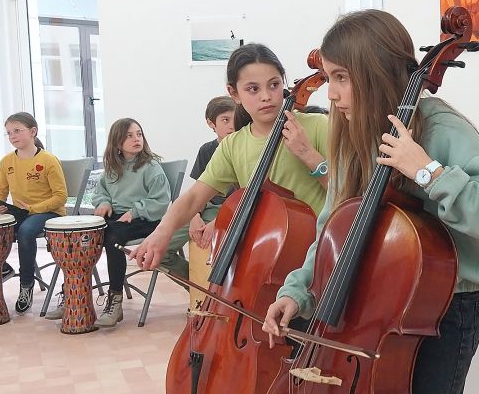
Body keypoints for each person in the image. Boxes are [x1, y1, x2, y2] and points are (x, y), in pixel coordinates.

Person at [260, 9, 479, 394]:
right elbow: (332, 229)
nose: (331, 94)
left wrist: (426, 171)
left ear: (375, 73)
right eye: (330, 77)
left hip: (439, 316)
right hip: (366, 308)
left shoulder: (440, 128)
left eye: (341, 78)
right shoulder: (351, 131)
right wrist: (296, 291)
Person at [131, 43, 330, 271]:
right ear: (234, 93)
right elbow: (194, 197)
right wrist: (161, 232)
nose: (266, 96)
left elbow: (347, 194)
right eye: (253, 89)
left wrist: (308, 155)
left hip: (316, 255)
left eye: (274, 85)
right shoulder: (232, 145)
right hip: (263, 258)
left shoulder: (317, 126)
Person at [78, 118, 171, 328]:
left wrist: (135, 211)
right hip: (118, 220)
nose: (136, 139)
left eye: (139, 134)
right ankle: (74, 295)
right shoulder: (113, 168)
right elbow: (101, 191)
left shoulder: (151, 167)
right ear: (117, 142)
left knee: (112, 238)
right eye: (129, 135)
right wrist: (103, 202)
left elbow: (161, 201)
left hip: (146, 220)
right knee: (87, 234)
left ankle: (115, 299)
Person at [0, 112, 68, 313]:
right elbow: (0, 192)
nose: (12, 136)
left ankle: (26, 285)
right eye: (9, 132)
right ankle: (3, 267)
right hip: (21, 212)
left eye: (17, 130)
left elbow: (60, 197)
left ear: (33, 132)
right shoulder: (6, 162)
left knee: (25, 231)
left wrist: (32, 209)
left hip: (49, 212)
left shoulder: (48, 160)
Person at [186, 96, 238, 252]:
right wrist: (194, 215)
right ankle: (188, 271)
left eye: (236, 119)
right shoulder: (206, 150)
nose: (232, 125)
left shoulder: (244, 149)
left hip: (230, 209)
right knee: (165, 244)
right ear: (211, 123)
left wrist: (218, 222)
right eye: (225, 120)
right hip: (207, 206)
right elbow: (198, 191)